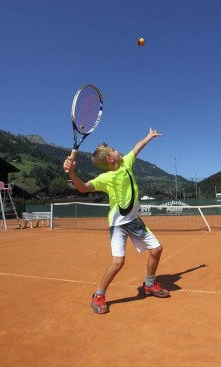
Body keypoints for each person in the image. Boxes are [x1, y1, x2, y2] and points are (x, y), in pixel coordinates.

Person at [63, 128, 169, 314]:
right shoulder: (106, 178)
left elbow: (138, 147)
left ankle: (149, 284)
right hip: (118, 224)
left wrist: (149, 137)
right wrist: (71, 173)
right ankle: (98, 295)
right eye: (114, 150)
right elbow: (83, 188)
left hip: (134, 221)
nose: (118, 151)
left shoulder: (127, 162)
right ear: (110, 159)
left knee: (157, 249)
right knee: (118, 262)